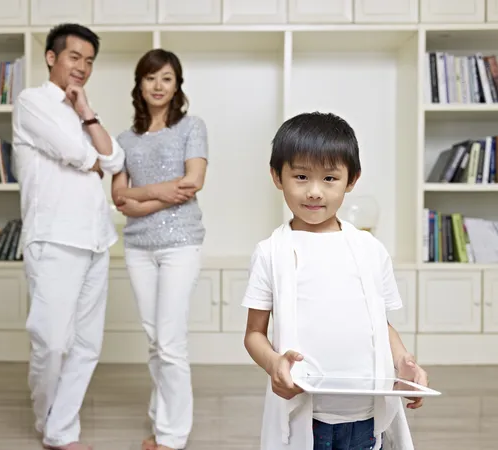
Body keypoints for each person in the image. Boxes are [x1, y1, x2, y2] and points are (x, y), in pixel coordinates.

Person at [242, 112, 428, 450]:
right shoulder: (271, 252)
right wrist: (274, 365)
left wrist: (404, 364)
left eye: (330, 178)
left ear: (351, 180)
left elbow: (381, 326)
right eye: (301, 176)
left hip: (365, 414)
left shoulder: (370, 250)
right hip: (304, 413)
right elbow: (254, 332)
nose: (314, 192)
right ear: (277, 176)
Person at [12, 23, 125, 450]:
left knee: (86, 345)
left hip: (96, 238)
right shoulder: (32, 102)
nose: (82, 67)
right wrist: (92, 154)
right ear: (51, 57)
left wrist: (88, 113)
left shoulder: (81, 111)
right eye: (74, 57)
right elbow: (77, 153)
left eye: (90, 61)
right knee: (52, 341)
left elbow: (113, 159)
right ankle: (47, 420)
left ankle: (61, 431)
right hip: (54, 238)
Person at [111, 48, 208, 450]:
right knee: (156, 341)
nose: (158, 85)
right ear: (139, 84)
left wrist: (140, 197)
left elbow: (193, 182)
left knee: (170, 342)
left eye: (166, 78)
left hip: (180, 243)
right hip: (138, 248)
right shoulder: (122, 140)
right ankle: (161, 419)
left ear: (176, 85)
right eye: (151, 78)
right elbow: (118, 198)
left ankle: (172, 435)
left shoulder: (191, 126)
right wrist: (164, 191)